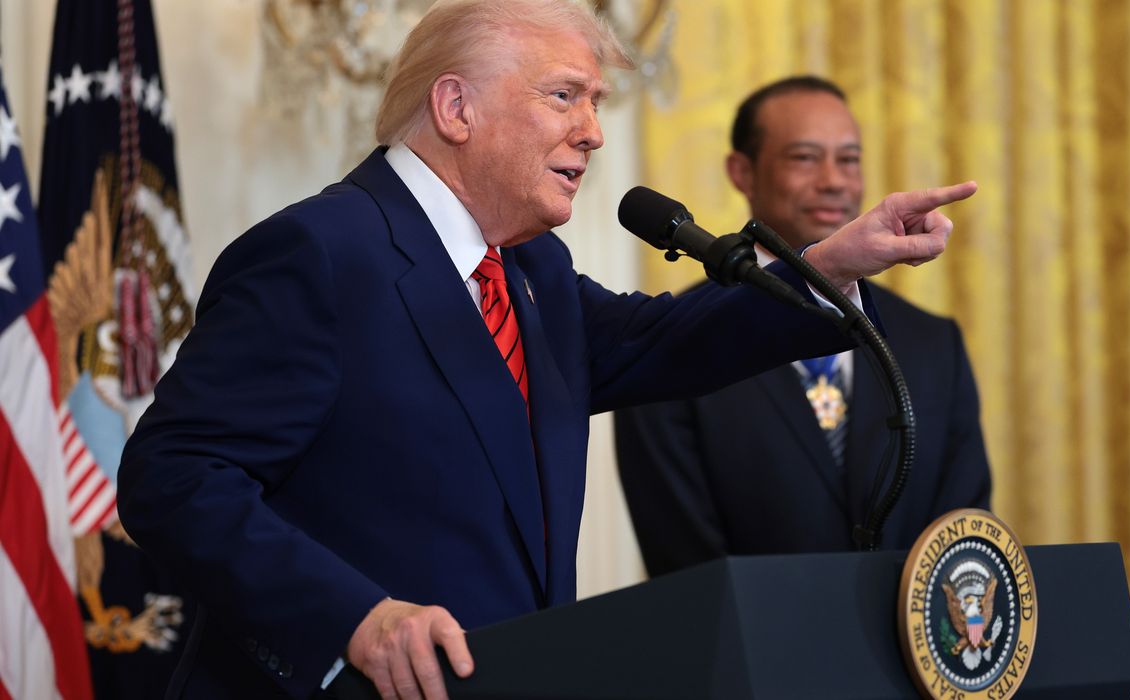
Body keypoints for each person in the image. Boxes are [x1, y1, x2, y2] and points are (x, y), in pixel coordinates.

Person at [116, 6, 976, 699]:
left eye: (594, 102)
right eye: (565, 96)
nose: (593, 132)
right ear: (456, 108)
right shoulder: (321, 252)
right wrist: (355, 617)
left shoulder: (532, 270)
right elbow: (174, 478)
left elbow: (666, 341)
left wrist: (829, 265)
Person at [614, 76, 991, 578]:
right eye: (805, 158)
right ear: (742, 172)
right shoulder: (669, 343)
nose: (833, 180)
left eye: (849, 160)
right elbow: (684, 563)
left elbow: (962, 535)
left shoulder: (932, 343)